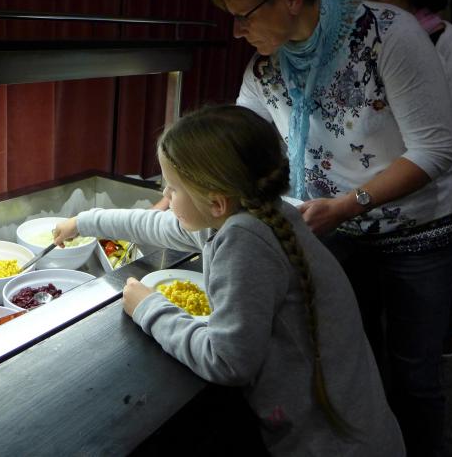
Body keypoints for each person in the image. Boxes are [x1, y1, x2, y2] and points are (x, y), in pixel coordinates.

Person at [208, 0, 452, 456]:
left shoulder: (386, 33)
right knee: (350, 362)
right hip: (331, 229)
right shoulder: (266, 64)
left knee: (414, 372)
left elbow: (436, 149)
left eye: (244, 16)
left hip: (417, 230)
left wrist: (350, 205)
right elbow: (240, 141)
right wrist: (188, 182)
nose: (237, 31)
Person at [53, 105, 404, 456]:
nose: (166, 200)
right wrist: (83, 222)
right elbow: (154, 225)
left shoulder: (244, 242)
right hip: (353, 427)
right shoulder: (259, 212)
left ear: (217, 202)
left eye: (172, 190)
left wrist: (147, 307)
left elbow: (227, 362)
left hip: (331, 445)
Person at [349, 0, 452, 357]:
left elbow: (450, 144)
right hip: (363, 218)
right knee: (363, 342)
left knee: (415, 354)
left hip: (423, 216)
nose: (369, 8)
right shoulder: (365, 46)